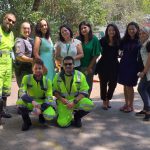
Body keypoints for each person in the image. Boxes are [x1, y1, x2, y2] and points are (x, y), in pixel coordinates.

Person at [53, 56, 94, 128]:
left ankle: (77, 117)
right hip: (63, 102)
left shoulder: (80, 75)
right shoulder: (57, 76)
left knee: (89, 105)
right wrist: (62, 99)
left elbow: (84, 91)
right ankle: (63, 114)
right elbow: (54, 91)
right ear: (62, 65)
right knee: (62, 124)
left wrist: (74, 102)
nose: (68, 66)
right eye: (65, 64)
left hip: (76, 100)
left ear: (73, 65)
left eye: (70, 64)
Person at [16, 58, 56, 131]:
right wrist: (32, 101)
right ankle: (27, 122)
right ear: (32, 69)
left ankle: (42, 116)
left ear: (43, 69)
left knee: (50, 115)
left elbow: (49, 98)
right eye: (36, 68)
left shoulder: (48, 81)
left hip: (42, 102)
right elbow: (21, 92)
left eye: (39, 68)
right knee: (20, 103)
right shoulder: (26, 78)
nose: (38, 70)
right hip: (31, 101)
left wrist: (41, 108)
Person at [95, 24, 121, 110]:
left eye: (113, 30)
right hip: (103, 65)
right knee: (103, 84)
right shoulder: (102, 40)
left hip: (114, 65)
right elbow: (96, 50)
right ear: (107, 31)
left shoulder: (119, 41)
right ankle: (104, 101)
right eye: (109, 30)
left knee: (113, 84)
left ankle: (108, 98)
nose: (111, 32)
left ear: (115, 31)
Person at [118, 22, 141, 112]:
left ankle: (131, 106)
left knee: (129, 86)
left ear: (137, 29)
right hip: (124, 64)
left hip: (134, 66)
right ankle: (126, 103)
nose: (131, 30)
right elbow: (118, 49)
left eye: (133, 29)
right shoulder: (124, 40)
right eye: (129, 29)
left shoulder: (140, 40)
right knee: (124, 85)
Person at [78, 21, 101, 95]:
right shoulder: (77, 39)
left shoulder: (94, 39)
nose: (83, 30)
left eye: (85, 27)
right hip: (78, 66)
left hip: (89, 66)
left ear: (89, 28)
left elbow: (96, 54)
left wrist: (89, 67)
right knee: (78, 85)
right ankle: (78, 101)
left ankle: (86, 102)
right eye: (81, 28)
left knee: (88, 85)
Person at [0, 13, 16, 122]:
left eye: (13, 22)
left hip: (9, 64)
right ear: (4, 19)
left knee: (6, 90)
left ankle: (3, 111)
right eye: (9, 20)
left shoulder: (11, 34)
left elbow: (12, 50)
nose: (10, 23)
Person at [136, 27, 150, 121]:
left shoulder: (149, 43)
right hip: (146, 71)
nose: (141, 35)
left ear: (148, 34)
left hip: (148, 72)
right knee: (148, 91)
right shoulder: (144, 43)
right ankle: (146, 109)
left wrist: (144, 72)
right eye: (140, 33)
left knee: (141, 88)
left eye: (144, 33)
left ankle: (148, 112)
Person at [14, 22, 33, 87]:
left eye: (28, 28)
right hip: (22, 70)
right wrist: (33, 60)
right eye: (24, 28)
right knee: (23, 91)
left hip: (30, 70)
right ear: (21, 29)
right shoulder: (19, 40)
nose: (27, 30)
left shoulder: (30, 40)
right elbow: (20, 57)